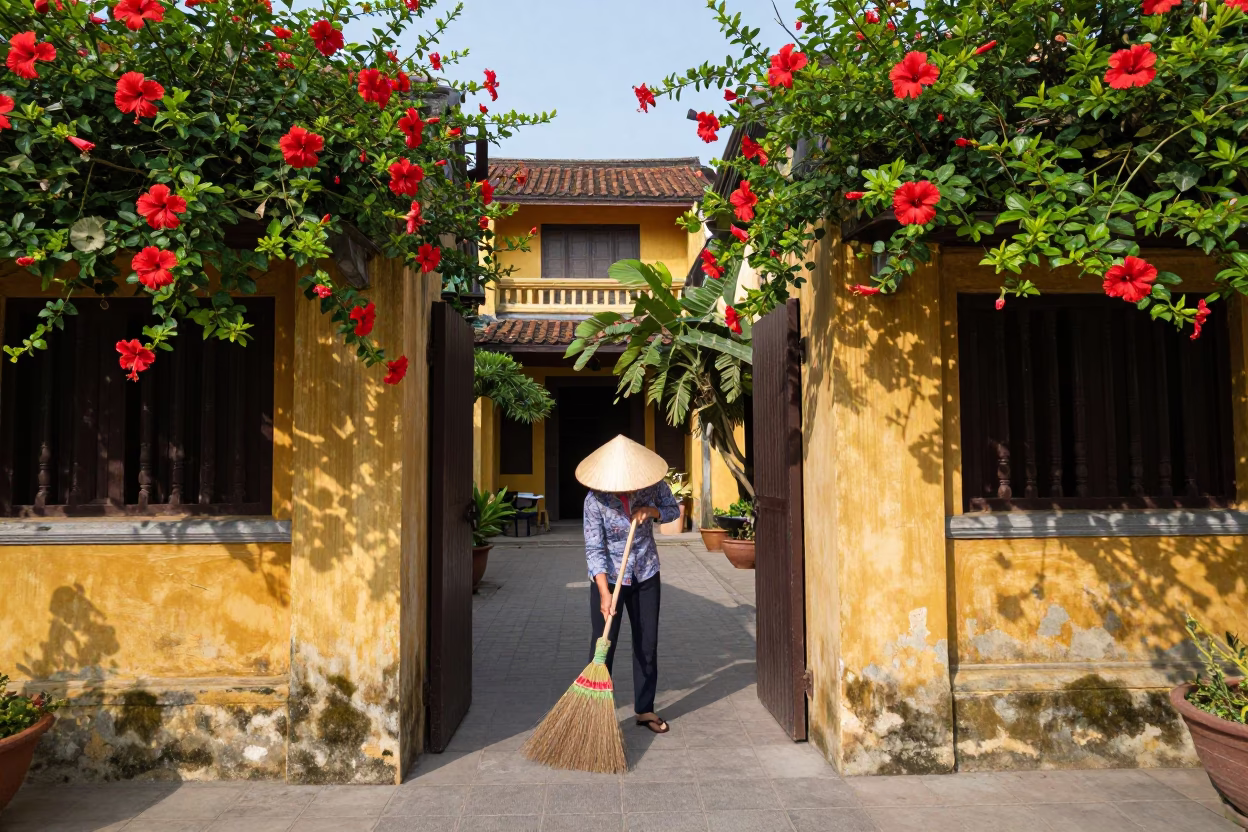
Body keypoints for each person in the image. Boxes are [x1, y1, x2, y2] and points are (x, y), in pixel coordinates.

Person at [577, 434, 681, 734]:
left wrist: (653, 511)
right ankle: (597, 715)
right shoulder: (595, 499)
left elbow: (673, 509)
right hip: (609, 579)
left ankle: (645, 709)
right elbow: (594, 549)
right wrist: (604, 593)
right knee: (603, 645)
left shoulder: (652, 485)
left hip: (646, 572)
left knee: (646, 643)